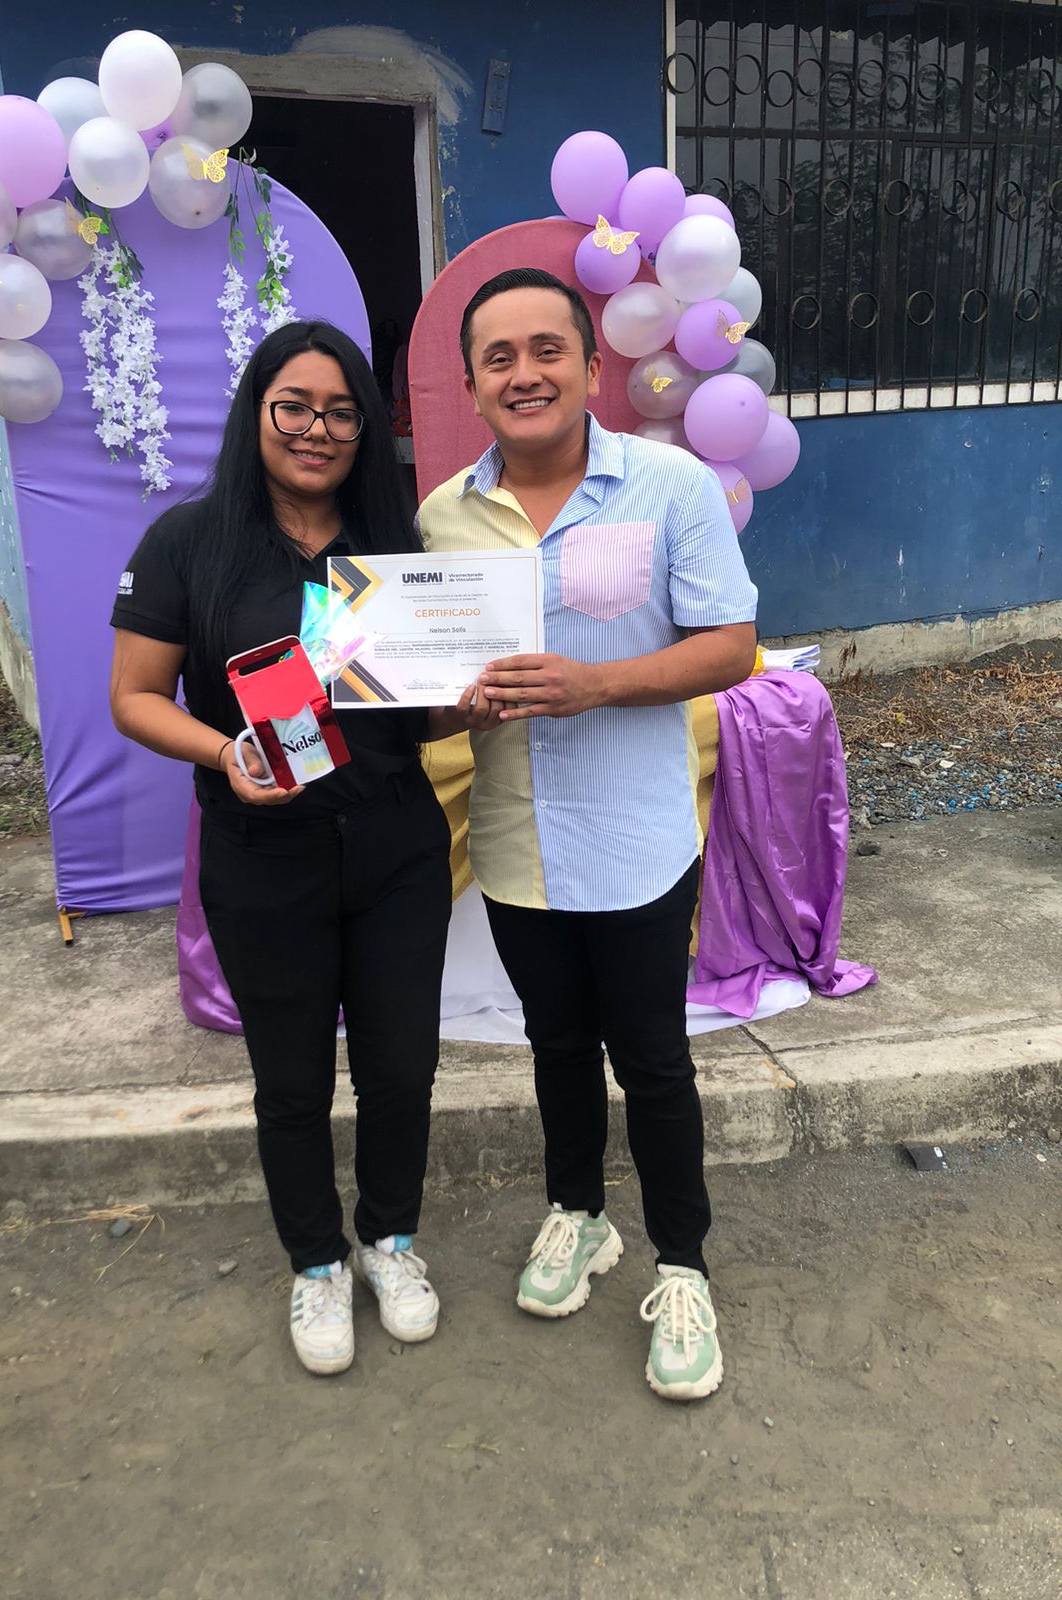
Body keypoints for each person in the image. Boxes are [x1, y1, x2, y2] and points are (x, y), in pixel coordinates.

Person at [417, 268, 759, 1401]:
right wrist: (453, 705)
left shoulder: (670, 485)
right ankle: (579, 1213)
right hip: (519, 844)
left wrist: (596, 684)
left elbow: (729, 645)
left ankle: (683, 1265)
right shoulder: (442, 520)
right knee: (556, 1046)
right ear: (473, 385)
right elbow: (424, 695)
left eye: (546, 349)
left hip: (636, 839)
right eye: (499, 357)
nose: (525, 373)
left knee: (653, 1060)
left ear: (592, 365)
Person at [109, 321, 458, 1378]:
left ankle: (388, 1239)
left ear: (367, 428)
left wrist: (474, 700)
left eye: (342, 411)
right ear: (255, 411)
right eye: (294, 406)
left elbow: (425, 713)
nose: (317, 429)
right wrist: (224, 753)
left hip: (395, 844)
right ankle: (315, 1262)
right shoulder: (189, 541)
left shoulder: (395, 550)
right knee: (293, 1079)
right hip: (262, 851)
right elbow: (133, 697)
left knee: (401, 1067)